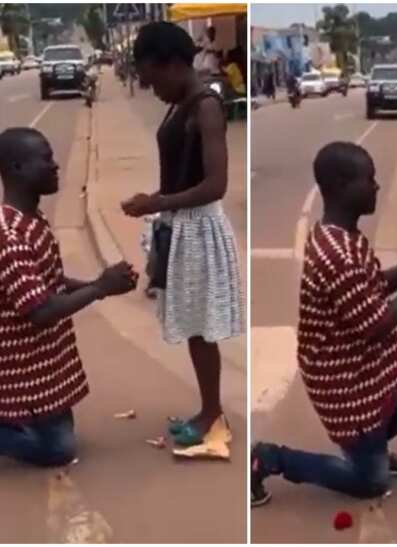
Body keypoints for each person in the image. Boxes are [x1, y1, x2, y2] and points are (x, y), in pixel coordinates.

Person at [250, 143, 397, 506]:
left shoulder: (342, 235)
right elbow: (377, 325)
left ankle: (371, 444)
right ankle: (270, 458)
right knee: (370, 482)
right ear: (343, 186)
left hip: (368, 360)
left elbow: (373, 284)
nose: (376, 187)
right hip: (343, 375)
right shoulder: (337, 253)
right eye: (370, 179)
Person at [0, 127, 138, 481]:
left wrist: (98, 285)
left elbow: (48, 280)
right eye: (46, 159)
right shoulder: (8, 237)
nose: (55, 166)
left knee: (60, 426)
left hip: (37, 363)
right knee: (58, 448)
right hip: (19, 365)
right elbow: (39, 311)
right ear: (17, 168)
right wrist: (100, 288)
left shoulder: (28, 219)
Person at [121, 22, 243, 446]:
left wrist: (155, 203)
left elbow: (216, 185)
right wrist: (154, 201)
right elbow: (180, 176)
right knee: (194, 325)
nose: (152, 90)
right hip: (180, 223)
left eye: (153, 80)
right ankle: (208, 407)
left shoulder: (205, 106)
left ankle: (212, 413)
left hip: (199, 226)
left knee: (201, 328)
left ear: (172, 64)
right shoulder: (181, 103)